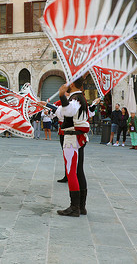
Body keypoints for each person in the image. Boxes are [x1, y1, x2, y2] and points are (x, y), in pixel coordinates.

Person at [53, 77, 90, 217]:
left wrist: (62, 95)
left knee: (71, 171)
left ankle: (75, 207)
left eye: (68, 82)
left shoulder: (76, 97)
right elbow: (63, 112)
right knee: (78, 171)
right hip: (76, 137)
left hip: (71, 138)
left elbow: (68, 111)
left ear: (72, 84)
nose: (66, 84)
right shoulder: (79, 97)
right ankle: (81, 206)